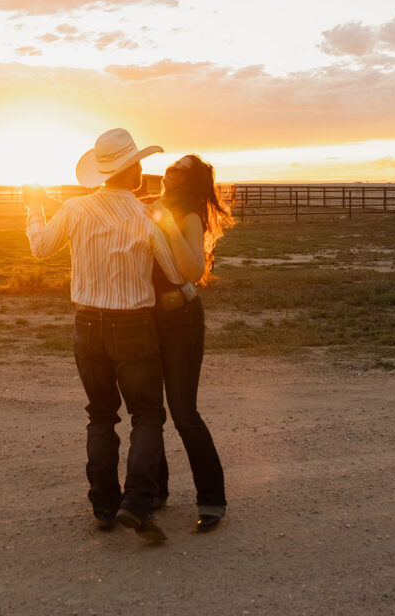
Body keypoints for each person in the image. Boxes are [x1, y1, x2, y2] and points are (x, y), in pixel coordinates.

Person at [23, 128, 198, 543]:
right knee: (147, 415)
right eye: (138, 162)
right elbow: (175, 275)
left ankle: (103, 504)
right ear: (133, 167)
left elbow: (41, 247)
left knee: (101, 415)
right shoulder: (144, 215)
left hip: (87, 323)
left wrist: (33, 209)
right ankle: (136, 502)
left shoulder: (76, 208)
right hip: (134, 324)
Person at [148, 154, 233, 532]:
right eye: (170, 166)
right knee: (149, 411)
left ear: (191, 180)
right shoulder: (151, 206)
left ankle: (212, 498)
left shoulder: (189, 216)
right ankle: (156, 490)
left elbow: (194, 271)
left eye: (180, 169)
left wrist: (166, 224)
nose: (170, 172)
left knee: (183, 412)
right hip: (144, 318)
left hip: (180, 319)